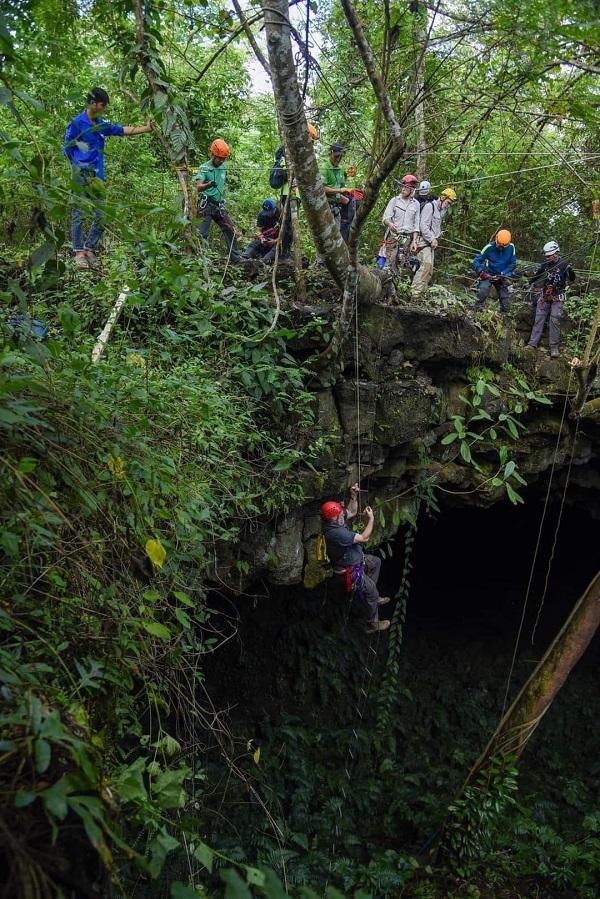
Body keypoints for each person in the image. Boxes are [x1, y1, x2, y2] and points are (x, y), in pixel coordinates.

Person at [64, 87, 152, 269]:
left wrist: (146, 128)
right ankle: (79, 252)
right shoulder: (77, 123)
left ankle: (90, 248)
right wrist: (77, 165)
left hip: (98, 176)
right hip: (80, 174)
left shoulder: (101, 124)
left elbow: (122, 130)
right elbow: (67, 147)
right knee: (78, 213)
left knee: (101, 214)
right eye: (103, 105)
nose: (104, 108)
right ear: (93, 103)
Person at [321, 484, 391, 633]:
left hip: (357, 559)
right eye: (340, 515)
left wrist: (353, 496)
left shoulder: (334, 521)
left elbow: (352, 511)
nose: (342, 515)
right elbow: (364, 538)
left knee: (376, 562)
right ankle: (372, 623)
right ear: (333, 519)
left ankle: (372, 594)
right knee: (371, 591)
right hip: (350, 570)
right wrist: (371, 519)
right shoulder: (336, 533)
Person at [270, 123, 318, 258]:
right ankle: (283, 254)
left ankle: (285, 252)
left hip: (296, 195)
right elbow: (286, 171)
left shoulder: (302, 154)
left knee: (289, 225)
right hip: (288, 193)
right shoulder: (290, 152)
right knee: (287, 226)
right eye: (311, 141)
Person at [526, 241, 575, 358]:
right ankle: (532, 344)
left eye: (549, 256)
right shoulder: (545, 265)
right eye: (546, 256)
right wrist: (529, 283)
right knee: (539, 318)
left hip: (558, 296)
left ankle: (554, 348)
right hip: (545, 295)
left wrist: (571, 271)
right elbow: (537, 275)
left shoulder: (564, 264)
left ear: (555, 254)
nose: (547, 258)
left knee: (555, 320)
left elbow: (572, 279)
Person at [195, 139, 241, 262]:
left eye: (223, 159)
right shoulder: (204, 168)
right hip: (206, 205)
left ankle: (236, 259)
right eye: (219, 158)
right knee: (202, 234)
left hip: (218, 205)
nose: (221, 161)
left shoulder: (223, 168)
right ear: (213, 155)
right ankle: (202, 260)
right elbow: (198, 187)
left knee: (230, 229)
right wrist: (209, 185)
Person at [410, 187, 457, 299]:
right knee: (426, 266)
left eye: (450, 204)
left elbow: (435, 226)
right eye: (448, 202)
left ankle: (421, 293)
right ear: (443, 198)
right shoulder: (429, 207)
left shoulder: (441, 211)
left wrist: (438, 235)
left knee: (430, 269)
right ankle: (415, 293)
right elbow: (423, 226)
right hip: (423, 242)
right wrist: (432, 239)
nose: (448, 205)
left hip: (430, 244)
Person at [377, 174, 420, 270]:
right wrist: (390, 224)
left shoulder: (416, 204)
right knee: (388, 263)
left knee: (401, 264)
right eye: (403, 186)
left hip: (406, 239)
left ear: (412, 189)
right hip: (393, 236)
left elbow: (416, 224)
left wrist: (414, 241)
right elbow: (385, 218)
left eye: (406, 187)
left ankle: (396, 283)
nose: (403, 189)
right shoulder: (395, 201)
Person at [472, 229, 517, 314]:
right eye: (499, 245)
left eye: (503, 247)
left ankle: (503, 316)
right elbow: (476, 261)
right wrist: (481, 272)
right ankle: (475, 310)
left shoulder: (511, 247)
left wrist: (503, 274)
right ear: (496, 239)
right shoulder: (489, 247)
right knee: (483, 291)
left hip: (501, 276)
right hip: (488, 274)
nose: (500, 248)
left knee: (505, 301)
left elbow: (513, 264)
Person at [242, 198, 281, 263]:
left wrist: (275, 241)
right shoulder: (262, 215)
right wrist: (261, 238)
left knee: (278, 247)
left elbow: (285, 235)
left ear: (274, 209)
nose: (268, 214)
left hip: (277, 239)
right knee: (256, 242)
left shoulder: (281, 215)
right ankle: (245, 256)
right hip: (266, 237)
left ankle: (264, 260)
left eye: (270, 212)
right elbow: (258, 230)